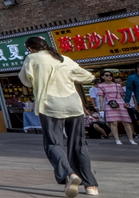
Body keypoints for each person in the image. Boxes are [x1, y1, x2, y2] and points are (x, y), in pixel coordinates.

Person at [20, 35, 99, 197]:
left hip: (50, 105)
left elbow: (26, 81)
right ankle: (90, 186)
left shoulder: (32, 58)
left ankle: (69, 174)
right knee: (78, 144)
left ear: (30, 48)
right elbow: (88, 76)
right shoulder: (64, 58)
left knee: (53, 144)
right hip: (73, 105)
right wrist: (68, 78)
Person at [97, 73, 135, 145]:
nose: (109, 76)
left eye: (110, 75)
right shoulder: (101, 85)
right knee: (114, 122)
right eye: (107, 75)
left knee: (126, 121)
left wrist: (126, 102)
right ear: (102, 77)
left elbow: (122, 95)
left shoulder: (117, 85)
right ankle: (117, 139)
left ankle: (131, 139)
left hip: (120, 103)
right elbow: (101, 96)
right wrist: (101, 106)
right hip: (109, 103)